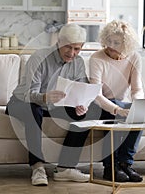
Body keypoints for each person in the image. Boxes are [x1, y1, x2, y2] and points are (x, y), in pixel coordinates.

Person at [6, 23, 97, 186]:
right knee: (33, 109)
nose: (72, 53)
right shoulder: (40, 57)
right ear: (59, 42)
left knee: (88, 114)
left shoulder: (78, 62)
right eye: (68, 48)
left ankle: (65, 168)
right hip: (22, 102)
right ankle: (37, 167)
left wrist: (82, 104)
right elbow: (29, 95)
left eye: (77, 49)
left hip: (53, 105)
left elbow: (82, 90)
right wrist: (46, 97)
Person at [89, 20, 145, 182]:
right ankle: (110, 167)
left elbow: (137, 89)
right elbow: (96, 95)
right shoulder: (97, 58)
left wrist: (138, 103)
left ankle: (125, 164)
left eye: (116, 42)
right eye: (108, 41)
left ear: (126, 44)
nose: (110, 45)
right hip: (100, 105)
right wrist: (117, 110)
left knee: (139, 113)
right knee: (115, 112)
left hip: (121, 103)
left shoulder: (134, 57)